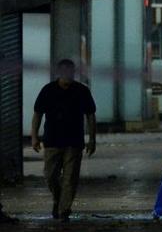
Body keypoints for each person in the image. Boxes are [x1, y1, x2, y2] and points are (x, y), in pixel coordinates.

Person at [31, 59, 96, 223]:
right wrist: (34, 137)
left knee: (70, 178)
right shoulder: (48, 90)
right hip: (52, 140)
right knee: (50, 175)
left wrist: (92, 139)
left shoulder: (82, 91)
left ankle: (63, 210)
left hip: (74, 141)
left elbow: (90, 115)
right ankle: (59, 200)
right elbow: (37, 113)